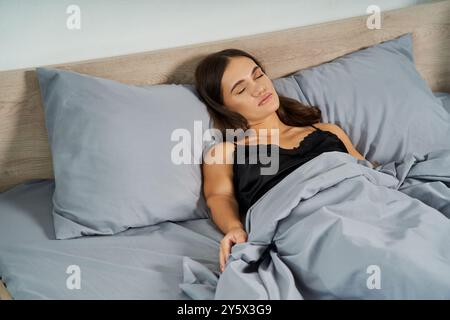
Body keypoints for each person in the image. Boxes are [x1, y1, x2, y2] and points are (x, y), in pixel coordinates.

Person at [194, 49, 379, 273]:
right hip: (312, 228)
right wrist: (234, 228)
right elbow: (219, 196)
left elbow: (367, 173)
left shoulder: (328, 131)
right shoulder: (226, 151)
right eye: (241, 89)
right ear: (223, 106)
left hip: (370, 210)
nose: (259, 88)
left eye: (258, 75)